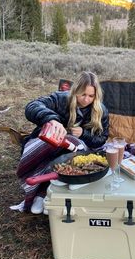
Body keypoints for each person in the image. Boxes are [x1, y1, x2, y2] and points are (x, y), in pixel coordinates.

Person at [16, 71, 109, 214]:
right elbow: (31, 106)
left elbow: (101, 139)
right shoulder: (61, 99)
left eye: (91, 96)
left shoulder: (100, 110)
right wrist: (51, 119)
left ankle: (51, 194)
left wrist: (83, 134)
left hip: (75, 151)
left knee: (72, 147)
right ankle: (38, 194)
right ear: (75, 90)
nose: (86, 100)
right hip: (48, 145)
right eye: (83, 94)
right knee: (52, 149)